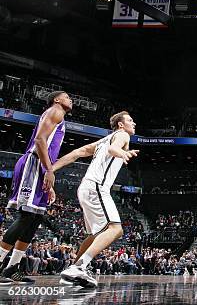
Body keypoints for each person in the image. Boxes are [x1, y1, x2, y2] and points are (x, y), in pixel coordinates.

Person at [51, 111, 139, 287]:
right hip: (97, 187)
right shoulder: (122, 135)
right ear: (120, 125)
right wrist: (122, 153)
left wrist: (51, 169)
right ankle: (80, 267)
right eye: (130, 120)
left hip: (86, 187)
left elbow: (78, 152)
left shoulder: (103, 141)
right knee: (116, 230)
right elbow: (113, 149)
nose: (134, 123)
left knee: (95, 234)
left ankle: (74, 269)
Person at [0, 91, 71, 284]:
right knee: (26, 216)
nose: (70, 99)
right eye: (66, 96)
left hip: (40, 168)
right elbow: (40, 140)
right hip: (33, 164)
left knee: (35, 219)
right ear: (57, 100)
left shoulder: (58, 115)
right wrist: (49, 170)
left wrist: (49, 182)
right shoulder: (55, 111)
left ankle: (10, 269)